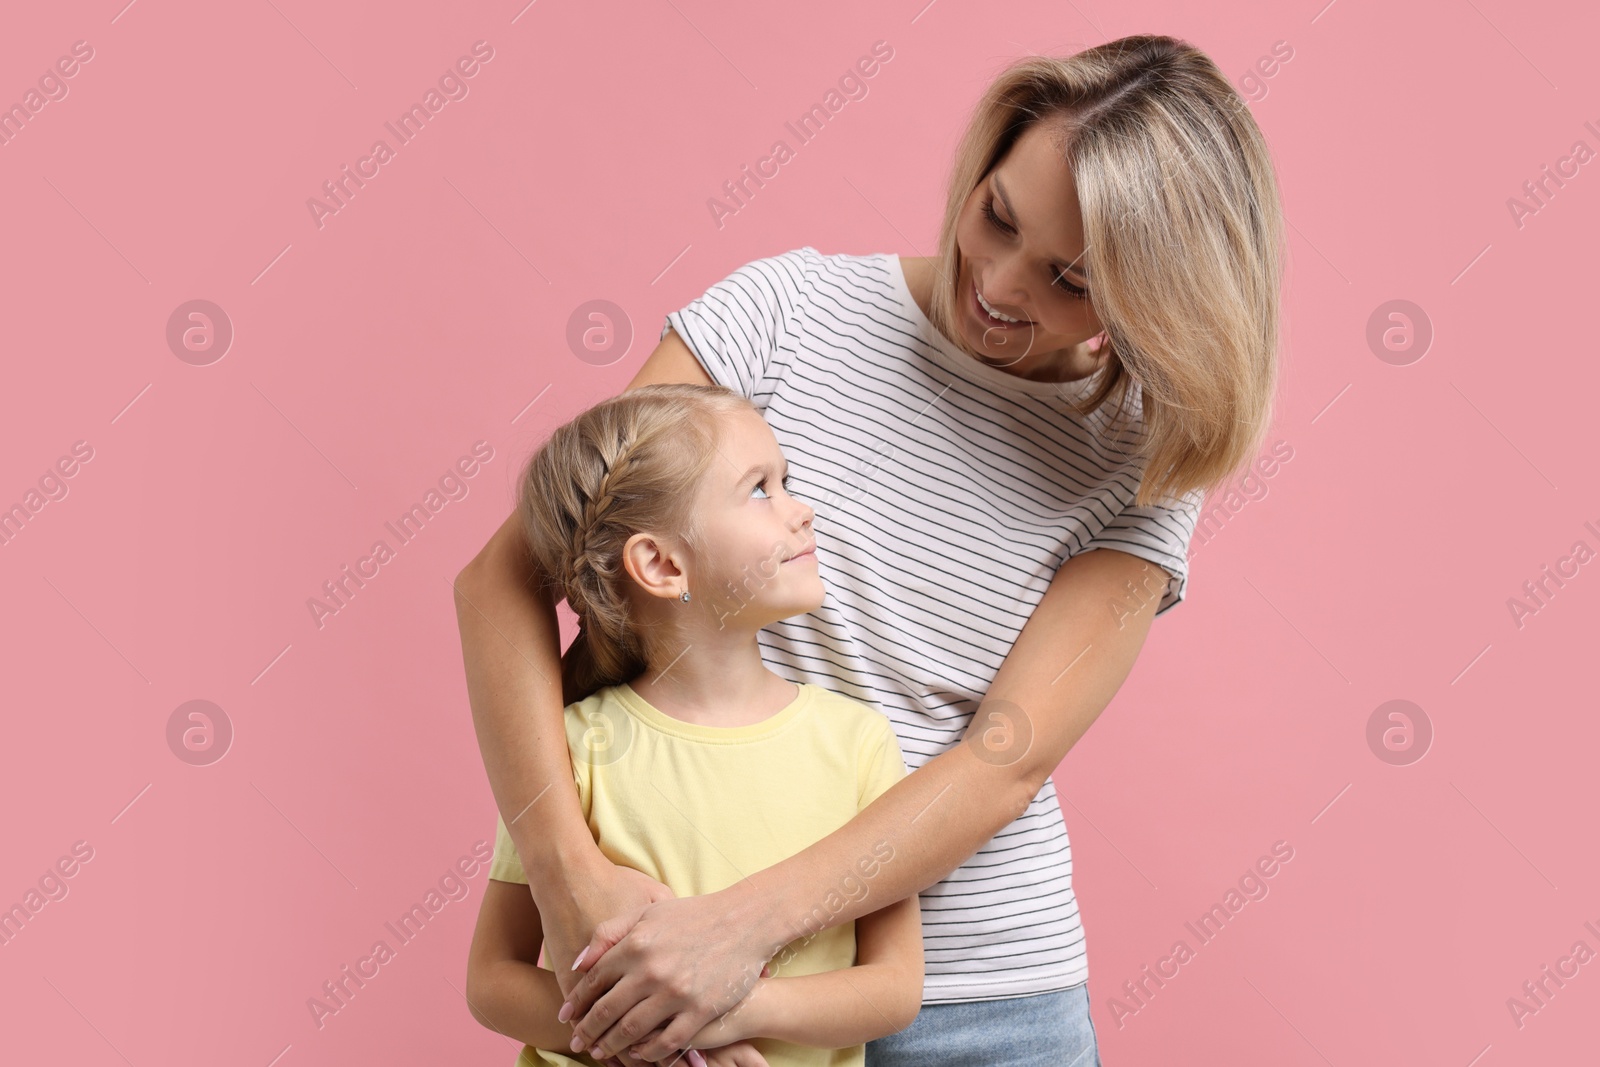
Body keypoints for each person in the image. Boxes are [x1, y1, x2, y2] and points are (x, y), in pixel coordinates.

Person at [454, 33, 1284, 1066]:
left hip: (981, 1005)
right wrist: (570, 880)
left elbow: (1003, 758)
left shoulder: (1142, 459)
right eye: (996, 215)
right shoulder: (787, 314)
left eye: (1069, 278)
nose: (996, 283)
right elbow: (506, 578)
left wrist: (739, 933)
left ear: (1150, 301)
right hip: (670, 972)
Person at [463, 384, 924, 1067]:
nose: (803, 510)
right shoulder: (571, 747)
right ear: (661, 564)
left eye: (785, 480)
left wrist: (719, 1012)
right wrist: (643, 1044)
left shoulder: (857, 742)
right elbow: (493, 980)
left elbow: (894, 986)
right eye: (761, 490)